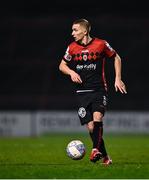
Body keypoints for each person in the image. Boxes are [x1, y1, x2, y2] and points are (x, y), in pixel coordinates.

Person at [59, 18, 127, 165]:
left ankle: (95, 149)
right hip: (81, 93)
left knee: (97, 118)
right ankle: (106, 156)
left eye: (75, 30)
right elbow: (62, 65)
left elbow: (117, 58)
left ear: (85, 31)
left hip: (98, 89)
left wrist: (118, 78)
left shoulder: (101, 44)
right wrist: (71, 72)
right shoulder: (72, 47)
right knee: (91, 128)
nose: (72, 33)